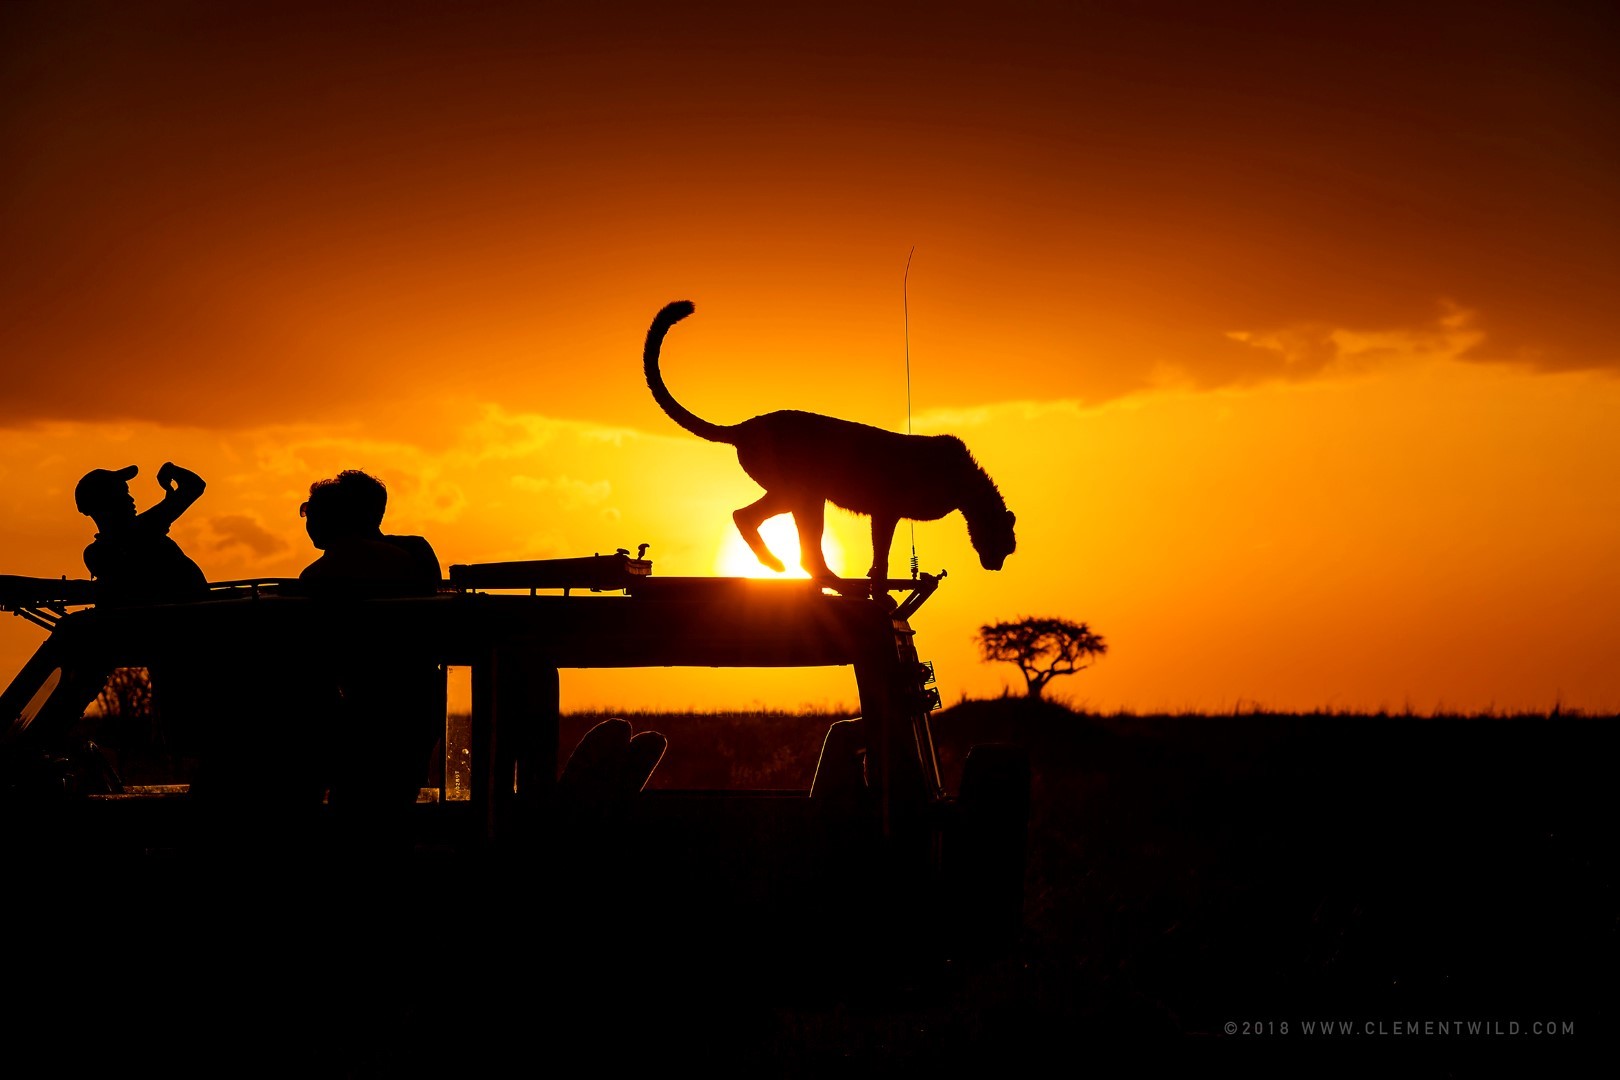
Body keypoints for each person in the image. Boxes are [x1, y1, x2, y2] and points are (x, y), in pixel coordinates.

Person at [298, 470, 444, 855]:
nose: (308, 520)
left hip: (366, 714)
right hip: (418, 706)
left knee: (355, 821)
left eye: (311, 510)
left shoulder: (320, 576)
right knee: (394, 814)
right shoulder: (413, 555)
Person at [75, 462, 209, 606]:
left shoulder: (96, 553)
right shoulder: (143, 528)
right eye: (122, 493)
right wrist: (172, 471)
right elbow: (194, 486)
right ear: (105, 503)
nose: (131, 499)